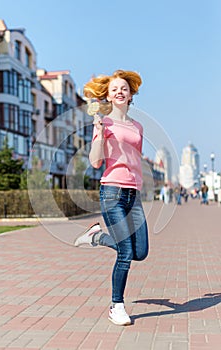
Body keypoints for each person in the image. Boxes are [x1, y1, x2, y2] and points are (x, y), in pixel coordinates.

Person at [74, 70, 149, 326]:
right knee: (126, 252)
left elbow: (135, 160)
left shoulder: (138, 126)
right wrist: (98, 133)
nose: (119, 91)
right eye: (115, 88)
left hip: (133, 194)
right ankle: (117, 306)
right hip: (112, 193)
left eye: (124, 88)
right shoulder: (104, 123)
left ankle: (96, 237)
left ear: (130, 95)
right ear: (108, 95)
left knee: (140, 252)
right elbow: (96, 162)